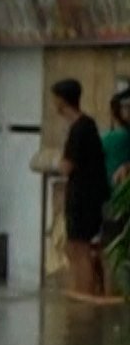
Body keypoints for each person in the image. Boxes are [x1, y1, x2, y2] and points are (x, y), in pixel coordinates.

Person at [53, 78, 109, 298]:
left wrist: (56, 163)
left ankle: (84, 293)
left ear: (61, 101)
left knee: (80, 247)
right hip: (84, 195)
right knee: (73, 246)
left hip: (84, 197)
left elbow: (67, 166)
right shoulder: (86, 126)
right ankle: (82, 289)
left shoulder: (80, 129)